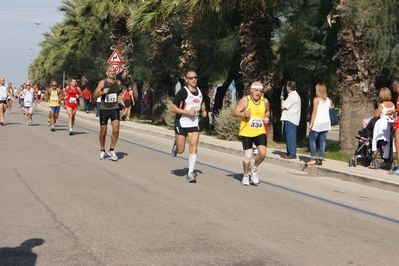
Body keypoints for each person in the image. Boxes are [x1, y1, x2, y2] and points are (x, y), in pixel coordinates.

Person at [170, 69, 207, 183]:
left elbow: (202, 103)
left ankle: (190, 173)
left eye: (195, 77)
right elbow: (172, 108)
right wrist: (187, 112)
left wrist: (204, 111)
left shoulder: (200, 92)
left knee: (193, 146)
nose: (193, 80)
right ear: (186, 80)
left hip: (194, 123)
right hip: (181, 123)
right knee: (181, 150)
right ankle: (176, 146)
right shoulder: (183, 92)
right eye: (191, 78)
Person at [232, 81, 270, 185]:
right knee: (248, 156)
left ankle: (254, 168)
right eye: (256, 90)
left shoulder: (265, 101)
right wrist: (244, 113)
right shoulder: (245, 100)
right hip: (246, 132)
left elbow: (267, 111)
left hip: (259, 131)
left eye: (260, 91)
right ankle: (245, 175)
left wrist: (266, 117)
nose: (258, 93)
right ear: (251, 90)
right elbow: (234, 113)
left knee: (262, 153)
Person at [93, 65, 122, 161]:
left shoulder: (118, 83)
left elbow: (119, 93)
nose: (112, 73)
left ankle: (112, 150)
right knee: (103, 132)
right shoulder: (102, 83)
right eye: (110, 71)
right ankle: (102, 150)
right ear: (107, 73)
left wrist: (121, 97)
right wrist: (102, 92)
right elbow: (94, 95)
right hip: (104, 109)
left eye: (114, 71)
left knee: (116, 130)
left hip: (115, 108)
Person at [306, 83, 332, 166]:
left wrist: (310, 124)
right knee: (322, 141)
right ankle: (320, 158)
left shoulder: (316, 99)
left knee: (312, 140)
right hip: (326, 122)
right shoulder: (328, 100)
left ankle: (313, 158)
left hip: (318, 122)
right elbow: (331, 108)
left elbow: (314, 113)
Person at [280, 81, 301, 159]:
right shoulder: (292, 95)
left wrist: (282, 100)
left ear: (289, 87)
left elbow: (283, 107)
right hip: (289, 118)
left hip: (291, 119)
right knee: (288, 136)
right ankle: (289, 152)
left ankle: (292, 153)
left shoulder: (293, 96)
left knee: (291, 136)